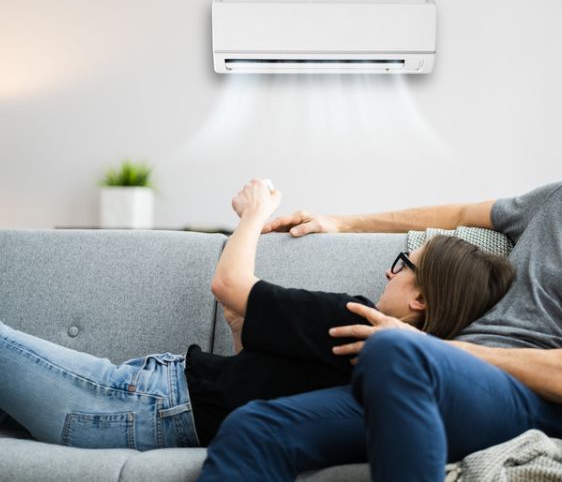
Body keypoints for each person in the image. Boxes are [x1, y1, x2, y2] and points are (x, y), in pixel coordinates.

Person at [198, 84, 562, 481]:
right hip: (429, 380)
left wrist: (427, 346)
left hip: (529, 403)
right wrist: (342, 222)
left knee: (392, 352)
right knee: (253, 427)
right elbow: (460, 212)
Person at [0, 180, 515, 450]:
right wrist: (244, 329)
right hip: (148, 402)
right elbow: (264, 377)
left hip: (136, 404)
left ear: (421, 299)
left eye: (404, 265)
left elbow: (228, 283)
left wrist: (254, 212)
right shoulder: (391, 365)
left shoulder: (353, 318)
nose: (389, 273)